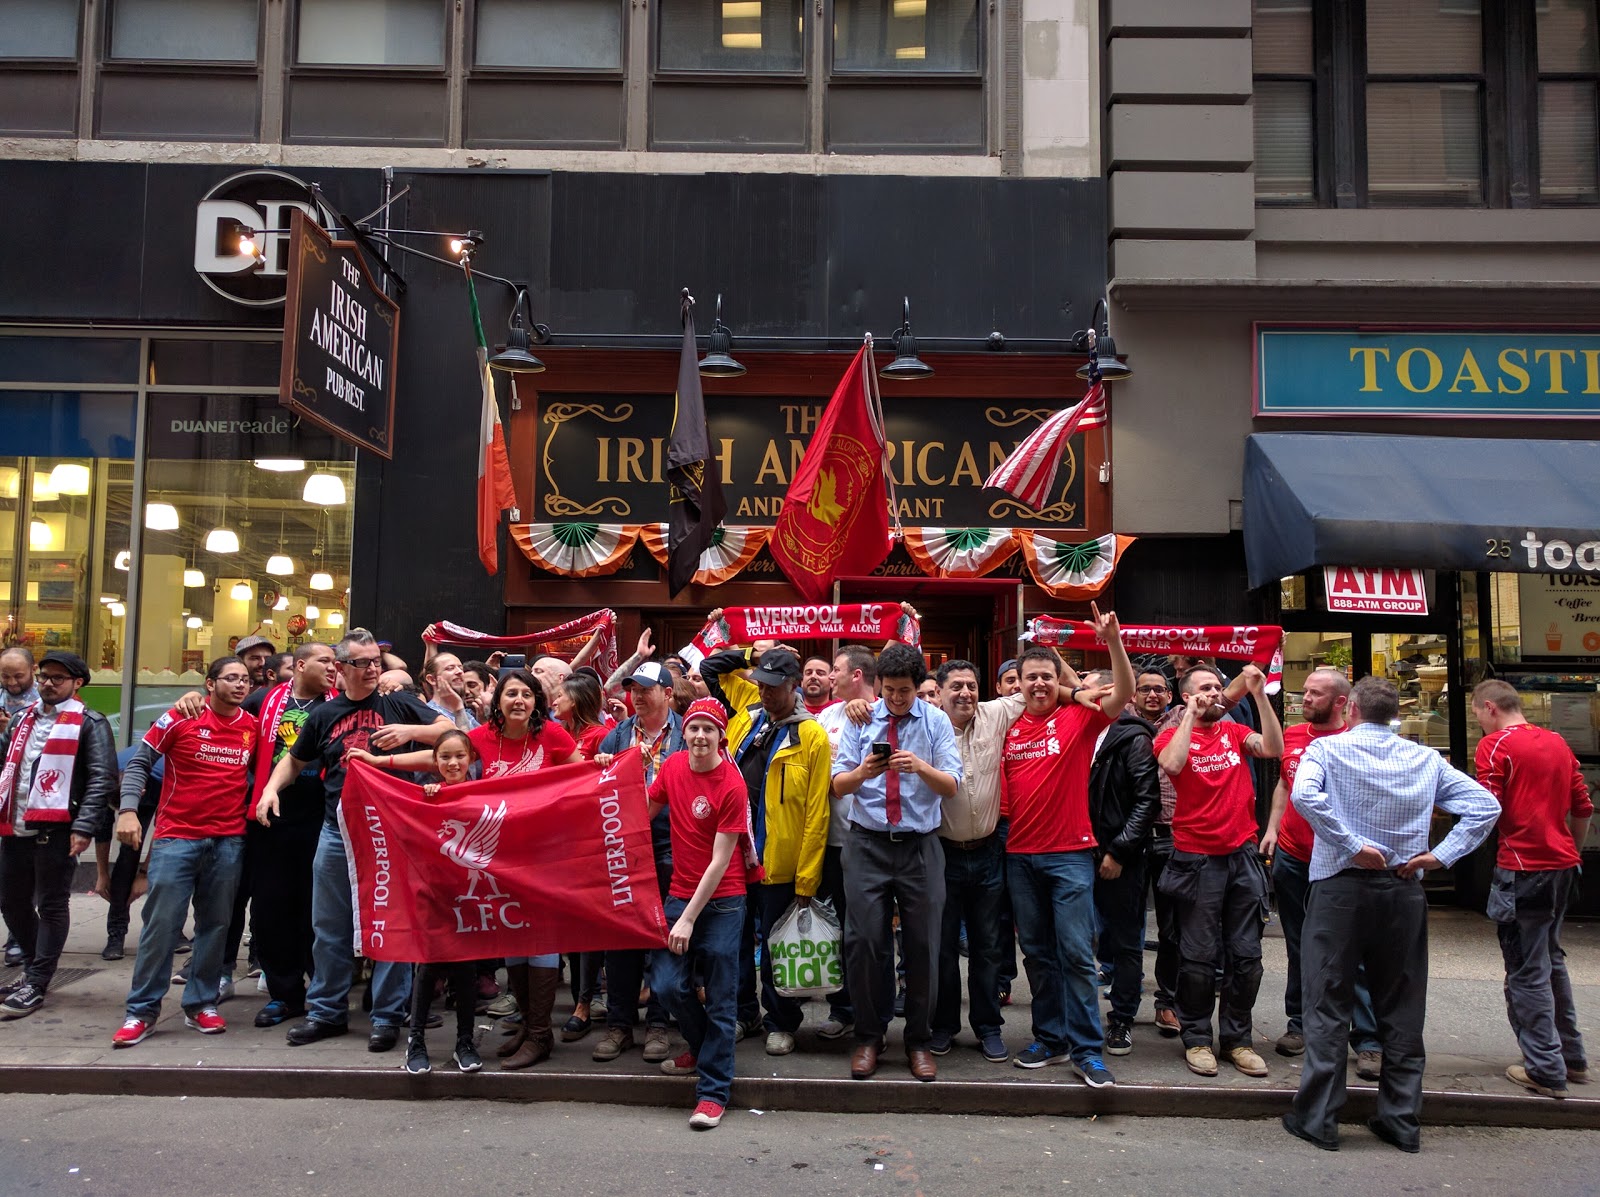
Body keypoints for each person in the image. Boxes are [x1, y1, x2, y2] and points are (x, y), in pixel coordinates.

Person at [1285, 676, 1500, 1153]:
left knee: (1327, 1000)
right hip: (1403, 889)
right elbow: (1484, 806)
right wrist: (1441, 856)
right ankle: (1401, 1120)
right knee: (1402, 1004)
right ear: (1393, 715)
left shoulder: (1327, 751)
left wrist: (1350, 844)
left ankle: (1318, 1119)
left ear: (1353, 709)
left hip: (1340, 887)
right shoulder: (1424, 758)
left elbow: (1304, 797)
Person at [360, 666, 580, 1068]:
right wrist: (381, 761)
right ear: (498, 702)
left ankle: (540, 1034)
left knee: (543, 939)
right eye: (511, 694)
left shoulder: (553, 735)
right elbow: (440, 755)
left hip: (543, 858)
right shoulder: (482, 738)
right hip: (497, 861)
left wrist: (601, 761)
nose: (519, 701)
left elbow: (583, 776)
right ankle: (529, 1027)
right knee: (512, 938)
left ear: (537, 703)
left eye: (526, 695)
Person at [255, 629, 453, 1051]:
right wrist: (271, 789)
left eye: (376, 662)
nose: (372, 669)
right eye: (363, 663)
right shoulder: (324, 716)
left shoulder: (397, 702)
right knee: (328, 927)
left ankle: (387, 1016)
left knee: (391, 925)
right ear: (342, 668)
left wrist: (406, 732)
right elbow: (294, 760)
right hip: (336, 829)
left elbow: (452, 737)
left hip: (390, 831)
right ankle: (326, 1012)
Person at [998, 609, 1133, 1087]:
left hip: (1070, 855)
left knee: (1077, 954)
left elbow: (1122, 695)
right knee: (1036, 954)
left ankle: (1087, 1051)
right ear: (1019, 683)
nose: (1037, 684)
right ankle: (1050, 1040)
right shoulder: (1007, 726)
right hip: (1018, 856)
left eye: (1045, 677)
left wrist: (1112, 643)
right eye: (1030, 677)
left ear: (1058, 683)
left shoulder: (1078, 719)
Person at [832, 643, 962, 1082]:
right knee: (865, 942)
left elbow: (951, 786)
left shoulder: (937, 721)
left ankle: (919, 1040)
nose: (897, 699)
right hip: (867, 843)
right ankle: (869, 1036)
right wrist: (864, 773)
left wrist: (920, 768)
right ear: (878, 686)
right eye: (889, 690)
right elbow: (838, 785)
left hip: (919, 846)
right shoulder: (861, 717)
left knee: (924, 945)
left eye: (905, 691)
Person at [111, 656, 255, 1046]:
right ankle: (141, 1012)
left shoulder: (251, 726)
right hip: (177, 839)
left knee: (216, 926)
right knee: (162, 927)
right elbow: (140, 764)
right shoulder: (179, 717)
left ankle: (201, 1004)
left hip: (229, 840)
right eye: (231, 678)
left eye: (245, 679)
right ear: (210, 684)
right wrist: (127, 811)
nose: (240, 685)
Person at [1155, 663, 1282, 1079]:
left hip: (1242, 857)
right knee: (1197, 958)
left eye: (1217, 687)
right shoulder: (1172, 734)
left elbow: (1273, 748)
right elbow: (1172, 766)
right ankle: (1196, 1039)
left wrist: (1259, 694)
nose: (1213, 693)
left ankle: (1237, 1041)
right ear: (1186, 696)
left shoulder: (1233, 732)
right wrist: (1191, 714)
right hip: (1196, 861)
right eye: (1203, 688)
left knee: (1247, 957)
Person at [704, 646, 831, 1058]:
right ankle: (744, 1013)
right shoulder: (747, 715)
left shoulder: (812, 734)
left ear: (795, 686)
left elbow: (817, 811)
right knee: (736, 942)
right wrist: (749, 652)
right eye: (761, 684)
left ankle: (781, 1020)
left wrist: (808, 877)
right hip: (733, 857)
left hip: (779, 862)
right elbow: (710, 668)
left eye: (775, 687)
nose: (766, 693)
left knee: (779, 945)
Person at [1472, 679, 1592, 1099]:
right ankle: (1572, 1058)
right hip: (1563, 867)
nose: (1479, 726)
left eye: (1477, 717)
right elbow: (1583, 806)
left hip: (1522, 869)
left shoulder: (1495, 746)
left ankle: (1544, 1068)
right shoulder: (1557, 742)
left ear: (1489, 708)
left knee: (1526, 972)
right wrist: (1571, 852)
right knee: (1552, 960)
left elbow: (1487, 808)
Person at [1259, 668, 1382, 1077]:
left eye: (1316, 693)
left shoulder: (1355, 743)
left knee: (1356, 950)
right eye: (1306, 691)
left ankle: (1367, 1039)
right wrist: (1273, 827)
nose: (1306, 698)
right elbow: (1284, 785)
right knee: (1299, 945)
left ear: (1341, 703)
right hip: (1294, 857)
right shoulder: (1294, 736)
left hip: (1341, 863)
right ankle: (1300, 1024)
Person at [652, 698, 758, 1131]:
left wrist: (689, 918)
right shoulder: (673, 766)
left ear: (721, 737)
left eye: (708, 730)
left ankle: (713, 1093)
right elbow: (643, 809)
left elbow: (719, 863)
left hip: (723, 900)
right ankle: (701, 1048)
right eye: (693, 728)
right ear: (685, 732)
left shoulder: (731, 785)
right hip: (680, 894)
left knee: (720, 997)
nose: (699, 737)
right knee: (666, 984)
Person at [0, 650, 116, 1019]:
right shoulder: (21, 719)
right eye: (45, 676)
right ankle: (34, 969)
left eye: (58, 678)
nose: (49, 683)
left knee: (51, 902)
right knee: (11, 900)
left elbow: (101, 778)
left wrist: (84, 826)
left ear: (77, 683)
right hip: (14, 823)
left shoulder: (90, 722)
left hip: (57, 828)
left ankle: (37, 980)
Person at [593, 661, 684, 1066]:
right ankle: (619, 1024)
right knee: (621, 936)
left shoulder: (688, 732)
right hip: (624, 844)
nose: (639, 695)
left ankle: (659, 1024)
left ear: (668, 693)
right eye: (634, 688)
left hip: (670, 844)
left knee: (663, 934)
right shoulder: (617, 735)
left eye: (648, 688)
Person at [246, 642, 335, 1027]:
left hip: (324, 818)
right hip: (271, 820)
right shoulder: (264, 700)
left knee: (318, 910)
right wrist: (190, 700)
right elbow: (224, 714)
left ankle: (323, 994)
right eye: (325, 661)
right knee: (270, 907)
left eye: (337, 662)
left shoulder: (342, 703)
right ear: (300, 665)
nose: (334, 668)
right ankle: (285, 996)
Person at [401, 730, 487, 1074]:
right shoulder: (426, 795)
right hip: (432, 894)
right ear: (435, 762)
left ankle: (464, 1041)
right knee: (428, 965)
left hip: (466, 894)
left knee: (467, 968)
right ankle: (415, 1041)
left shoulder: (484, 792)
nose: (453, 763)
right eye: (445, 757)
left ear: (471, 759)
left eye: (459, 756)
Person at [1085, 668, 1160, 1059]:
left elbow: (1148, 802)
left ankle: (1122, 1020)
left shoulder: (1133, 737)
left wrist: (1118, 852)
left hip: (1119, 857)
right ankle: (1077, 1021)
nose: (1082, 696)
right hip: (1076, 852)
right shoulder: (1079, 728)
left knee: (1127, 943)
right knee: (1079, 943)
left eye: (1090, 690)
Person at [812, 645, 878, 1041]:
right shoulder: (826, 715)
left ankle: (875, 1011)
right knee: (839, 929)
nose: (829, 676)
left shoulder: (887, 710)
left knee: (869, 932)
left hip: (872, 840)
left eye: (835, 669)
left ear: (857, 675)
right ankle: (844, 1008)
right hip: (832, 841)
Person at [1130, 670, 1182, 1038]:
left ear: (1169, 693)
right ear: (1132, 693)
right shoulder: (1119, 719)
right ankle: (1125, 1005)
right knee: (1128, 928)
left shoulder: (1181, 717)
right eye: (1144, 688)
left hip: (1171, 837)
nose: (1152, 694)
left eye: (1158, 689)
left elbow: (1224, 696)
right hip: (1129, 839)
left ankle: (1168, 1004)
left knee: (1172, 928)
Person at [422, 652, 478, 730]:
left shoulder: (467, 714)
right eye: (450, 668)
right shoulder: (428, 714)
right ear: (432, 679)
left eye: (461, 668)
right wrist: (458, 710)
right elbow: (463, 741)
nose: (459, 672)